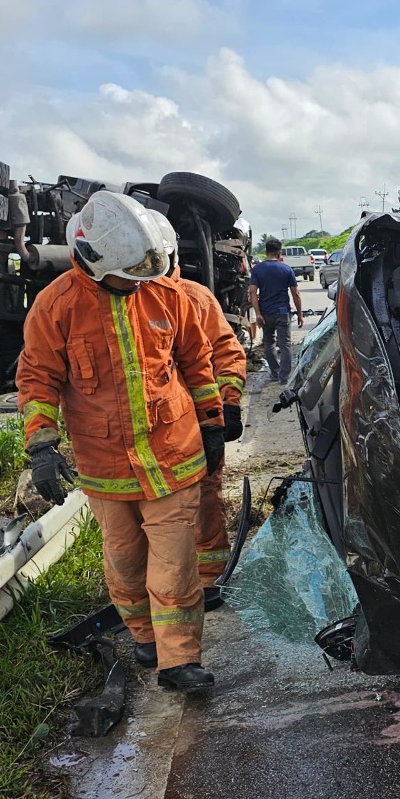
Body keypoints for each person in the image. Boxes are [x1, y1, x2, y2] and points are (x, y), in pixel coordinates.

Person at [17, 190, 225, 693]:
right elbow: (38, 379)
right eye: (127, 275)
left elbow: (197, 363)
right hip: (106, 465)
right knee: (125, 559)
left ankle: (179, 659)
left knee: (175, 560)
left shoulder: (166, 295)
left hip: (173, 456)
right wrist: (42, 445)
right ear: (93, 261)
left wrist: (213, 422)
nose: (137, 283)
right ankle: (145, 635)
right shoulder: (56, 306)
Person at [148, 210, 247, 608]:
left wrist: (229, 405)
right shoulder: (114, 303)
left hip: (196, 425)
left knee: (204, 501)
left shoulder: (194, 297)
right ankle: (164, 582)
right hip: (144, 433)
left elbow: (226, 353)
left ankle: (210, 578)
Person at [249, 238, 304, 383]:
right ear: (279, 253)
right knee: (285, 344)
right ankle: (284, 377)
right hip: (283, 312)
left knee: (269, 343)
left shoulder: (257, 269)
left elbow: (252, 292)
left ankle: (275, 373)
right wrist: (300, 314)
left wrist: (258, 314)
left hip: (265, 313)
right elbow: (295, 294)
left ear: (266, 252)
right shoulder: (286, 269)